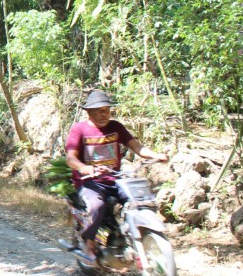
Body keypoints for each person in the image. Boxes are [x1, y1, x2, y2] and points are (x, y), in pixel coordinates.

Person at [64, 90, 168, 262]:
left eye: (105, 110)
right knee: (96, 206)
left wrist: (155, 155)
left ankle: (136, 240)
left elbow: (137, 147)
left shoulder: (116, 127)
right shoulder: (79, 129)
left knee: (140, 201)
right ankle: (89, 243)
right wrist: (83, 168)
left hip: (116, 180)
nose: (102, 114)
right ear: (88, 112)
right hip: (89, 183)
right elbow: (70, 158)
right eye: (97, 110)